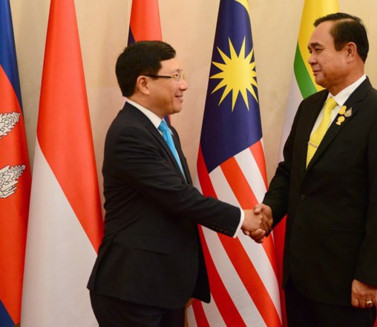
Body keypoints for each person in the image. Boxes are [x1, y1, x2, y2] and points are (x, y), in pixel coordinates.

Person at [87, 40, 270, 327]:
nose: (183, 85)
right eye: (174, 76)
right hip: (133, 289)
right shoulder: (129, 134)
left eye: (182, 75)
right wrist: (241, 218)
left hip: (162, 285)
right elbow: (178, 197)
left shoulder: (163, 129)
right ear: (144, 84)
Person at [254, 13, 377, 326]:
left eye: (317, 50)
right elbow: (290, 172)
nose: (310, 59)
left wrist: (368, 276)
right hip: (299, 278)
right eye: (310, 51)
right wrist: (270, 209)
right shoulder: (309, 107)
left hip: (344, 282)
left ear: (349, 52)